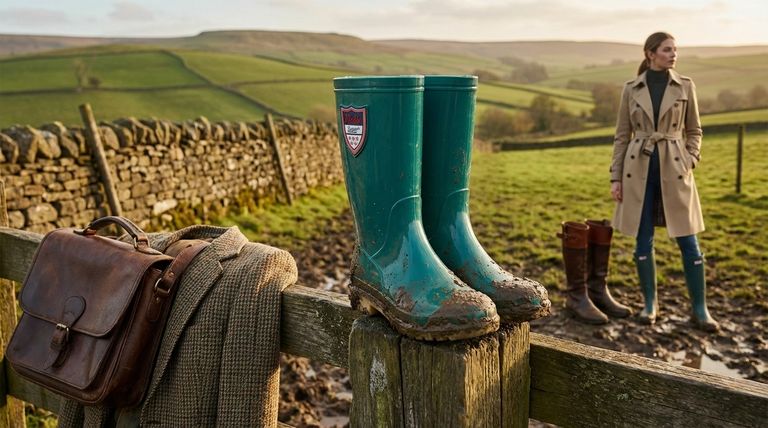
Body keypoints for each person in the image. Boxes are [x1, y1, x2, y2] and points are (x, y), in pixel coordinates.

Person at [609, 31, 719, 332]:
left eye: (675, 50)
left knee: (689, 240)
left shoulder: (685, 86)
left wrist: (690, 158)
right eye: (667, 50)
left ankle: (700, 310)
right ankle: (650, 305)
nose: (673, 55)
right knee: (643, 238)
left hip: (676, 171)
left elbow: (695, 130)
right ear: (650, 54)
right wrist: (615, 177)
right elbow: (622, 136)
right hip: (637, 173)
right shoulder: (631, 88)